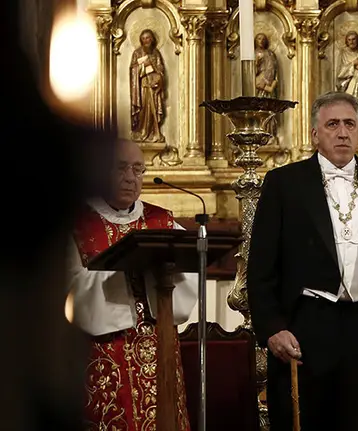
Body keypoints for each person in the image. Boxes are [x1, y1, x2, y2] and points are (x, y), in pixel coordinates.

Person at [247, 91, 358, 431]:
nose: (342, 132)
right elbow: (259, 268)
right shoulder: (284, 184)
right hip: (307, 326)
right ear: (315, 134)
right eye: (332, 124)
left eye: (350, 124)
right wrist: (273, 328)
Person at [66, 139, 198, 431]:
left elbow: (187, 280)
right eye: (121, 168)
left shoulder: (161, 220)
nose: (130, 178)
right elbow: (69, 291)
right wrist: (126, 271)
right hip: (106, 350)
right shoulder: (78, 225)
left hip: (160, 346)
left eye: (138, 169)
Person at [130, 29, 166, 143]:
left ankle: (154, 132)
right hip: (142, 87)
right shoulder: (137, 53)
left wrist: (153, 65)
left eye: (148, 38)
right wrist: (142, 67)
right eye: (144, 38)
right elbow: (132, 69)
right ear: (141, 40)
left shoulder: (156, 53)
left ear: (152, 39)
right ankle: (141, 131)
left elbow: (161, 69)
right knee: (143, 108)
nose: (146, 40)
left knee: (153, 109)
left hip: (153, 86)